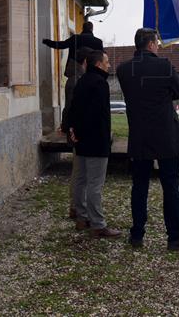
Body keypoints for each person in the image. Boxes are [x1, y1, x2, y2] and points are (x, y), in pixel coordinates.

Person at [116, 28, 179, 251]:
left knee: (139, 186)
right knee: (171, 186)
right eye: (157, 42)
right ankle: (174, 236)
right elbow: (178, 91)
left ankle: (136, 234)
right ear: (152, 44)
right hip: (165, 134)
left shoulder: (123, 70)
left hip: (140, 134)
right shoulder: (164, 66)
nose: (159, 46)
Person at [63, 49, 121, 238]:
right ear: (98, 64)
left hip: (81, 141)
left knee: (80, 180)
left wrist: (74, 130)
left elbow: (73, 110)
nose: (109, 65)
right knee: (95, 184)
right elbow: (99, 116)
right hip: (96, 142)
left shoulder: (81, 82)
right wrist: (105, 139)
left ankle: (82, 217)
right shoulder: (100, 84)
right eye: (106, 62)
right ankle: (98, 225)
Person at [63, 46, 94, 220]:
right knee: (79, 172)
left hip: (76, 129)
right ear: (84, 62)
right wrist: (70, 128)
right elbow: (71, 108)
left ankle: (76, 207)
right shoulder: (77, 80)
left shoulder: (77, 78)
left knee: (79, 171)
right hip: (77, 130)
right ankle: (75, 207)